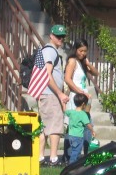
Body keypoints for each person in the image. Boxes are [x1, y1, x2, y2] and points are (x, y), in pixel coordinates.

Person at [38, 24, 69, 166]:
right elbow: (47, 74)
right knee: (55, 126)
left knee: (44, 127)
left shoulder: (49, 51)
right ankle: (53, 158)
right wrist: (60, 93)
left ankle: (41, 157)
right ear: (51, 35)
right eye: (58, 36)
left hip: (46, 94)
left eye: (62, 36)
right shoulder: (50, 51)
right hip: (50, 94)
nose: (61, 39)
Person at [64, 39, 98, 159]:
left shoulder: (82, 63)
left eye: (85, 51)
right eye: (80, 50)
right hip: (76, 98)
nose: (83, 53)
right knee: (74, 126)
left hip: (85, 99)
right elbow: (68, 79)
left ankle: (85, 154)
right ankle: (69, 155)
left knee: (87, 123)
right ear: (75, 50)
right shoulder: (72, 61)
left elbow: (95, 73)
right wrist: (81, 92)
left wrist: (88, 64)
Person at [64, 93, 95, 164]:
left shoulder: (71, 112)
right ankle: (72, 165)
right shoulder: (83, 114)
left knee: (73, 150)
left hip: (70, 136)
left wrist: (64, 103)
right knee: (76, 152)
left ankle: (72, 163)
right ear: (83, 104)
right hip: (78, 137)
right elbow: (88, 124)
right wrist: (92, 130)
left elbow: (65, 111)